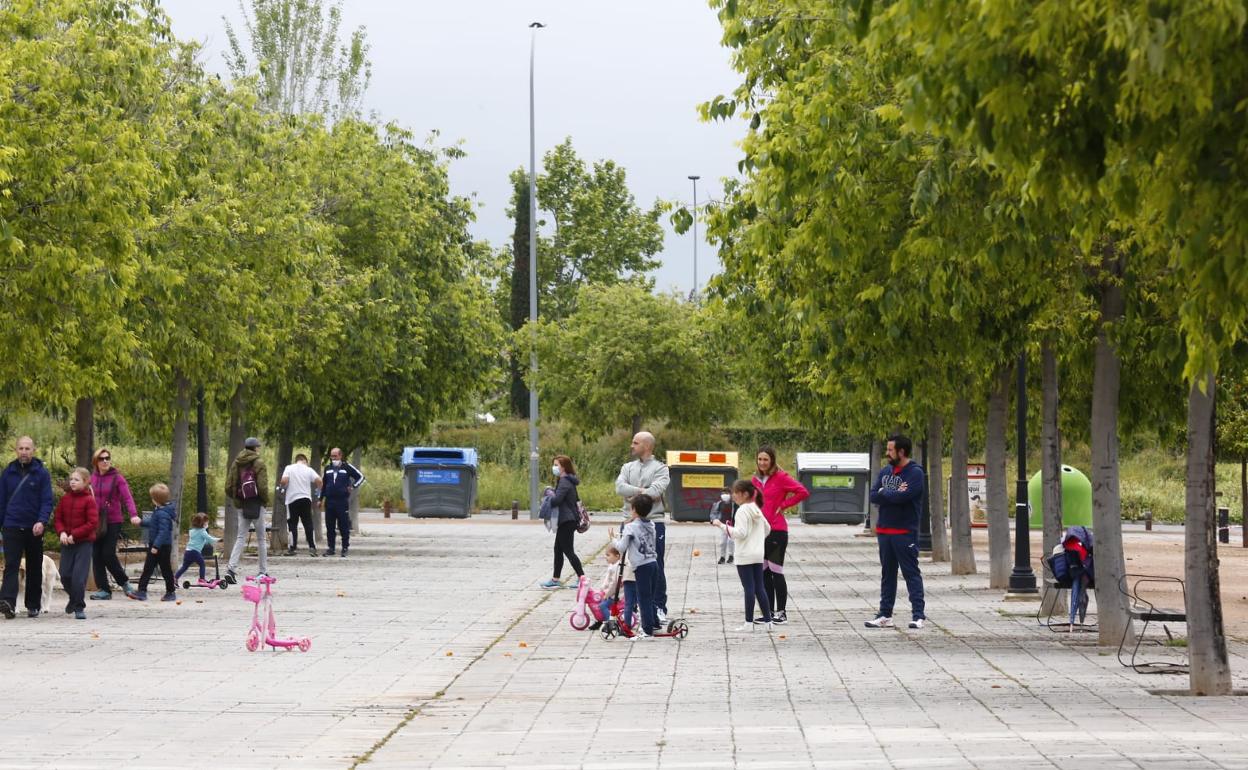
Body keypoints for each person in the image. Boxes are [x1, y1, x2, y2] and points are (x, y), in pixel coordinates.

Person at [865, 434, 927, 630]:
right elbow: (874, 495)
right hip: (885, 532)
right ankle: (885, 614)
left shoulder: (915, 473)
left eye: (890, 449)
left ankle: (918, 615)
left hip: (904, 532)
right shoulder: (886, 471)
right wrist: (889, 492)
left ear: (901, 451)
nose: (887, 453)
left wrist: (886, 493)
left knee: (911, 573)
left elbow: (905, 496)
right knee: (887, 574)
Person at [614, 432, 670, 622]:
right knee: (629, 565)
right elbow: (619, 487)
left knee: (655, 565)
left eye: (635, 443)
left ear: (647, 446)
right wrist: (641, 492)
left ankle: (658, 606)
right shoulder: (627, 467)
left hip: (654, 522)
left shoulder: (661, 469)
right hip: (628, 522)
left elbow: (655, 492)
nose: (631, 445)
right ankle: (634, 606)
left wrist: (634, 494)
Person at [751, 446, 809, 625]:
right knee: (764, 572)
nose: (762, 463)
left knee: (776, 571)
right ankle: (768, 612)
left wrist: (784, 505)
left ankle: (781, 613)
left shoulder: (781, 478)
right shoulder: (755, 480)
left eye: (765, 460)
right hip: (759, 532)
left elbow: (803, 492)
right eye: (760, 459)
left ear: (772, 461)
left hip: (777, 531)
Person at [0, 436, 55, 619]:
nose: (24, 452)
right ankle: (7, 602)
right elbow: (1, 501)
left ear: (33, 450)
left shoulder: (41, 473)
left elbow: (47, 500)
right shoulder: (8, 472)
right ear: (16, 450)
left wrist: (41, 520)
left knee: (33, 566)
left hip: (34, 527)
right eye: (21, 448)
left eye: (27, 448)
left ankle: (33, 604)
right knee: (12, 565)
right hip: (12, 525)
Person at [713, 479, 772, 632]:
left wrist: (722, 526)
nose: (733, 496)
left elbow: (740, 533)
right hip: (758, 554)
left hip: (745, 555)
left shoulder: (742, 510)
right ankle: (768, 622)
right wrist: (757, 541)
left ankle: (748, 623)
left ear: (745, 494)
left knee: (749, 589)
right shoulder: (756, 509)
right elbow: (767, 528)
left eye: (735, 493)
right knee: (760, 588)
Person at [90, 447, 140, 600]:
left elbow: (127, 498)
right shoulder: (92, 477)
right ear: (96, 462)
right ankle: (104, 589)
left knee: (108, 553)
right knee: (96, 555)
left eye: (107, 458)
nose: (105, 461)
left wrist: (134, 515)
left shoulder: (117, 478)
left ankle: (125, 583)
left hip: (113, 521)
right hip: (96, 521)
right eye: (101, 458)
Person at [611, 494, 658, 640]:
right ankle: (654, 623)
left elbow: (621, 547)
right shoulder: (652, 524)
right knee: (650, 597)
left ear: (634, 509)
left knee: (643, 599)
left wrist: (612, 539)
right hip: (653, 563)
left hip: (641, 566)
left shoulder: (630, 527)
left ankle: (647, 631)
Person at [53, 467, 98, 620]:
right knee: (65, 575)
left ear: (85, 482)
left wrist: (75, 534)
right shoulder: (65, 499)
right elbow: (58, 518)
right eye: (71, 479)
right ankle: (74, 598)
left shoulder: (89, 500)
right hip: (67, 543)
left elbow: (92, 523)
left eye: (76, 479)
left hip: (83, 543)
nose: (72, 482)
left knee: (78, 577)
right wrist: (63, 532)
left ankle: (79, 607)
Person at [226, 437, 270, 580]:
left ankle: (231, 569)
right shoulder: (259, 463)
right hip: (257, 504)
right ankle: (262, 571)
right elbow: (262, 487)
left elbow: (228, 486)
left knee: (240, 537)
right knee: (261, 539)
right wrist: (265, 501)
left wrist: (237, 499)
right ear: (256, 448)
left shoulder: (236, 463)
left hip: (242, 504)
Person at [126, 483, 177, 602]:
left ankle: (170, 592)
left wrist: (156, 546)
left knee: (165, 570)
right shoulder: (159, 510)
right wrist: (141, 522)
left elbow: (163, 532)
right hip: (156, 546)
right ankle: (142, 591)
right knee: (148, 568)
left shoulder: (163, 513)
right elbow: (154, 524)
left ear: (155, 500)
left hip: (161, 547)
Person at [539, 455, 584, 589]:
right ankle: (555, 579)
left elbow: (557, 500)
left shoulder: (564, 481)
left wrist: (548, 497)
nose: (554, 468)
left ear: (563, 467)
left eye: (556, 465)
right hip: (567, 519)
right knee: (558, 549)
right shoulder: (567, 480)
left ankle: (582, 578)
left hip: (567, 520)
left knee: (568, 551)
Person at [320, 447, 364, 557]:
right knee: (330, 526)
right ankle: (331, 548)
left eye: (335, 456)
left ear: (340, 456)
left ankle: (345, 547)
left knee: (343, 525)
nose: (333, 458)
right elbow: (324, 485)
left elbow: (360, 477)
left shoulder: (346, 467)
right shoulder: (327, 469)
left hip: (342, 501)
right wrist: (320, 499)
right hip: (329, 502)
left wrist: (353, 486)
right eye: (331, 456)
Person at [280, 453, 322, 556]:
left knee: (292, 524)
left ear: (296, 460)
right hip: (306, 499)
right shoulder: (308, 469)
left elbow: (284, 480)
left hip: (292, 499)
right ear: (305, 461)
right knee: (308, 523)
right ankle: (312, 547)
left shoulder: (289, 468)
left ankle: (292, 548)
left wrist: (283, 487)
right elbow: (319, 480)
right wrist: (318, 492)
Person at [174, 512, 218, 583]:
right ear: (203, 524)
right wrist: (218, 539)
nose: (207, 524)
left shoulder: (192, 531)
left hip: (188, 551)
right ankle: (202, 579)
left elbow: (201, 540)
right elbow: (210, 539)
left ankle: (175, 578)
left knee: (184, 566)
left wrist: (208, 541)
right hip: (194, 552)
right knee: (202, 564)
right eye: (207, 523)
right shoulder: (202, 532)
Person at [588, 545, 622, 631]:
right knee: (596, 602)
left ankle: (610, 624)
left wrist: (607, 593)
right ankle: (599, 621)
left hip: (614, 595)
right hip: (609, 592)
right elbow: (607, 579)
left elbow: (614, 583)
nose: (606, 557)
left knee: (602, 606)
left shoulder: (617, 568)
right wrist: (603, 588)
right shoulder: (612, 565)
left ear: (617, 556)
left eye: (608, 555)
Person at [709, 488, 736, 565]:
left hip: (732, 525)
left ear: (730, 494)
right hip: (722, 525)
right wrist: (713, 520)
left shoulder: (734, 504)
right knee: (722, 542)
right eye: (723, 493)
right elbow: (713, 513)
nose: (725, 495)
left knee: (731, 541)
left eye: (727, 493)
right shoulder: (718, 504)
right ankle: (722, 557)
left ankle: (731, 556)